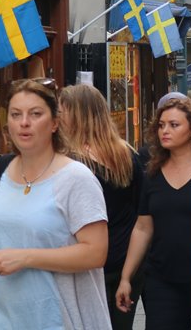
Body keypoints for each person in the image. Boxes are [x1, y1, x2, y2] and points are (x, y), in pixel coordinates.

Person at [0, 79, 111, 330]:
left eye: (35, 114)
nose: (24, 122)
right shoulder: (4, 167)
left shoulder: (75, 178)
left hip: (57, 318)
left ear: (55, 123)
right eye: (16, 115)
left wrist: (25, 257)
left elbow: (96, 252)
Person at [116, 97, 191, 329]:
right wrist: (126, 277)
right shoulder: (153, 174)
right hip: (162, 279)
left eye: (173, 125)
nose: (165, 131)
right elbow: (142, 228)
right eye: (161, 125)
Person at [60, 84, 145, 330]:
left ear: (77, 115)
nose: (57, 116)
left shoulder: (68, 161)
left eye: (62, 110)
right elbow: (140, 214)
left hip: (85, 265)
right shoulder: (127, 154)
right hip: (124, 263)